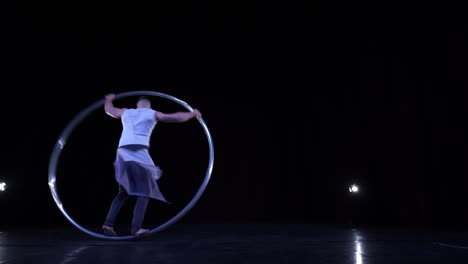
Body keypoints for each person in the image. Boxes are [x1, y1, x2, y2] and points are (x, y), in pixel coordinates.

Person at [101, 93, 202, 236]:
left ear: (137, 105)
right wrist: (192, 114)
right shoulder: (152, 113)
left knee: (123, 193)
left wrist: (109, 99)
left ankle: (108, 224)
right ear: (149, 105)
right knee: (145, 192)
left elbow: (109, 110)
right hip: (138, 151)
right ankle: (136, 229)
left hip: (122, 153)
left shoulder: (126, 111)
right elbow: (175, 117)